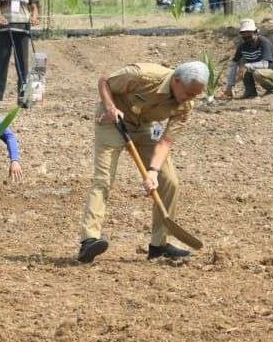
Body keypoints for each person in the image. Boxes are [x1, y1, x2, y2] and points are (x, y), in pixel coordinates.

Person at [77, 61, 207, 264]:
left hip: (144, 126)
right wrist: (111, 107)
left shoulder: (186, 104)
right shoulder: (142, 76)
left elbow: (166, 141)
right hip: (112, 121)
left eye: (195, 95)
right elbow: (104, 80)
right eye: (189, 93)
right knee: (103, 179)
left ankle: (159, 245)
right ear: (177, 80)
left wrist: (153, 171)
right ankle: (89, 240)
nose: (190, 99)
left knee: (169, 180)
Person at [225, 19, 273, 98]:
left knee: (255, 72)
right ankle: (250, 92)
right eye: (244, 33)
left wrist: (246, 66)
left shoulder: (263, 42)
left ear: (255, 32)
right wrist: (230, 85)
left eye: (249, 32)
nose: (246, 35)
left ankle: (272, 90)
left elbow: (265, 64)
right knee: (245, 67)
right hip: (260, 70)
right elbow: (234, 64)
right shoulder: (242, 46)